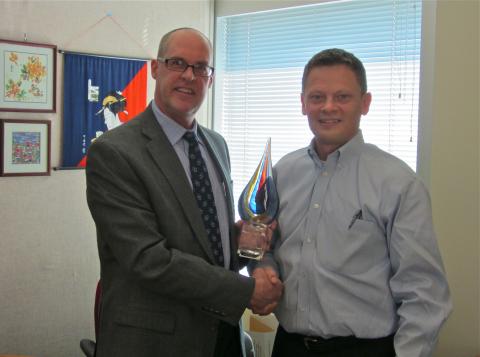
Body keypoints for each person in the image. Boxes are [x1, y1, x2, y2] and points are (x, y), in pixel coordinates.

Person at [86, 27, 282, 357]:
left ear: (211, 78)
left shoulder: (216, 145)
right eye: (177, 63)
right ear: (155, 68)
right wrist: (247, 291)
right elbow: (148, 259)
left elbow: (203, 240)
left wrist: (237, 239)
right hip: (155, 343)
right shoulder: (115, 152)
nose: (189, 76)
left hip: (222, 336)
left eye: (200, 67)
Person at [253, 48, 452, 357]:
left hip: (364, 349)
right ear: (303, 103)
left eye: (342, 97)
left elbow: (424, 293)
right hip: (289, 346)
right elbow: (265, 246)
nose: (328, 107)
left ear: (365, 103)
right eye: (317, 97)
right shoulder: (282, 174)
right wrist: (263, 268)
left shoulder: (398, 183)